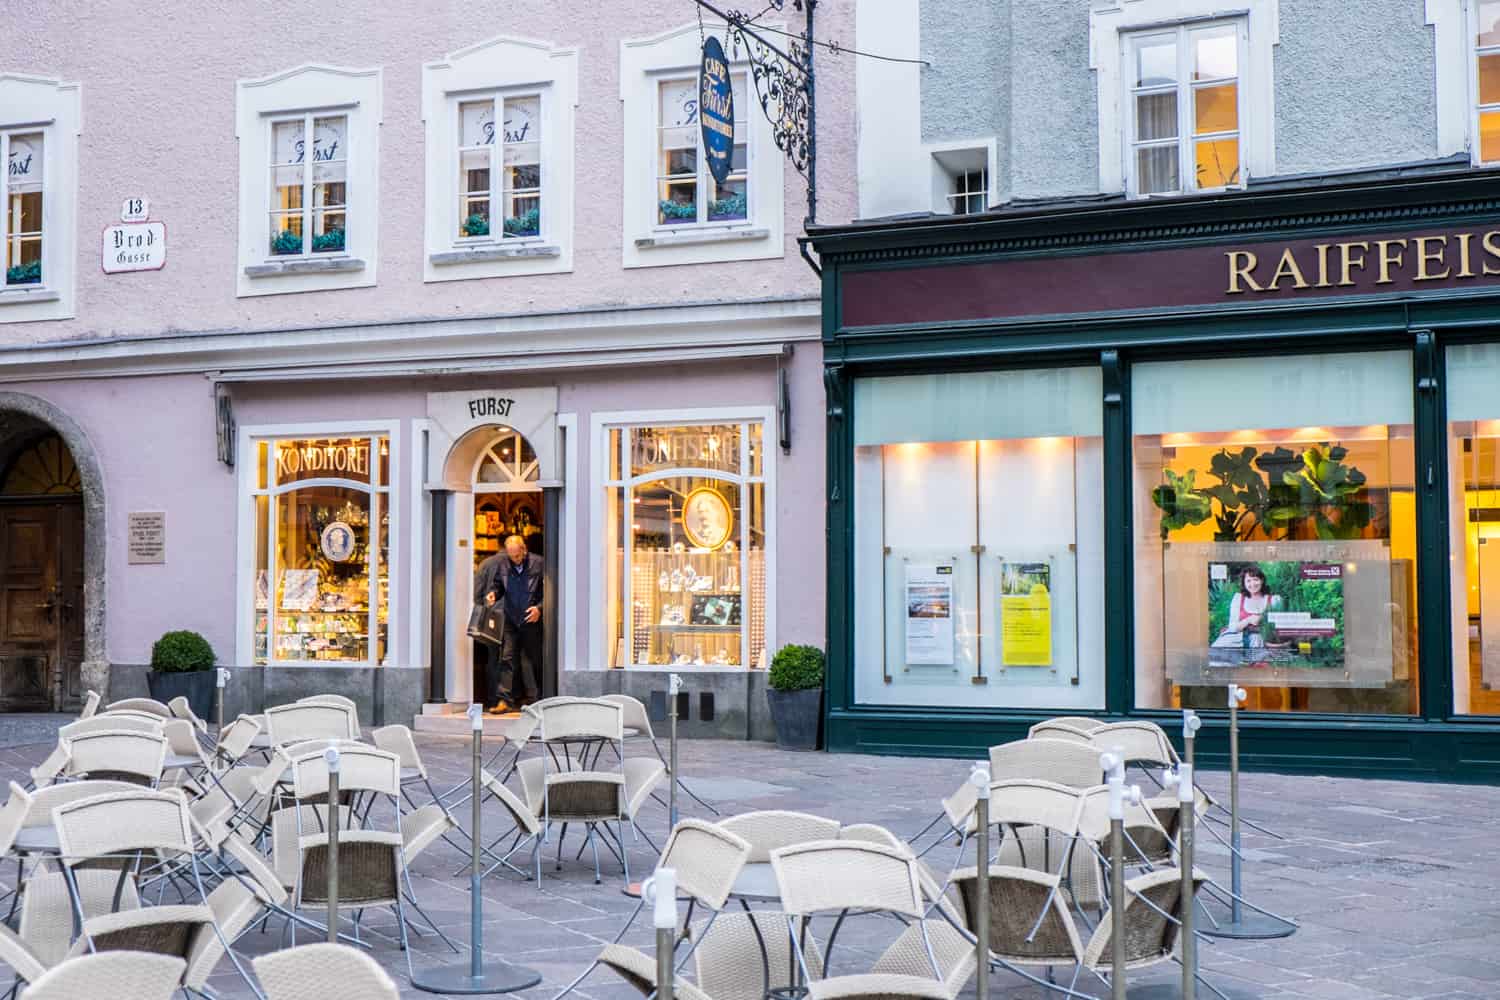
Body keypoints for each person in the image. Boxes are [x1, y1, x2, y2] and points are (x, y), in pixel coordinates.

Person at [474, 534, 543, 713]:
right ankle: (504, 700)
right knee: (507, 658)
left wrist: (539, 608)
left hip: (530, 618)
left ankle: (536, 699)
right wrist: (493, 594)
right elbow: (497, 585)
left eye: (518, 556)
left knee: (531, 659)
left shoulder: (538, 563)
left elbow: (549, 590)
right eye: (512, 557)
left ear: (524, 550)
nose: (515, 560)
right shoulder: (504, 563)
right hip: (510, 618)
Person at [1216, 566, 1272, 649]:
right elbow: (1233, 627)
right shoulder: (1238, 598)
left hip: (1261, 640)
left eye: (1256, 579)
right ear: (1244, 584)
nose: (1252, 584)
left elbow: (1277, 628)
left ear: (1262, 580)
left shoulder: (1273, 600)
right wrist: (1248, 620)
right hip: (1237, 638)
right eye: (1248, 581)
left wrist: (1263, 619)